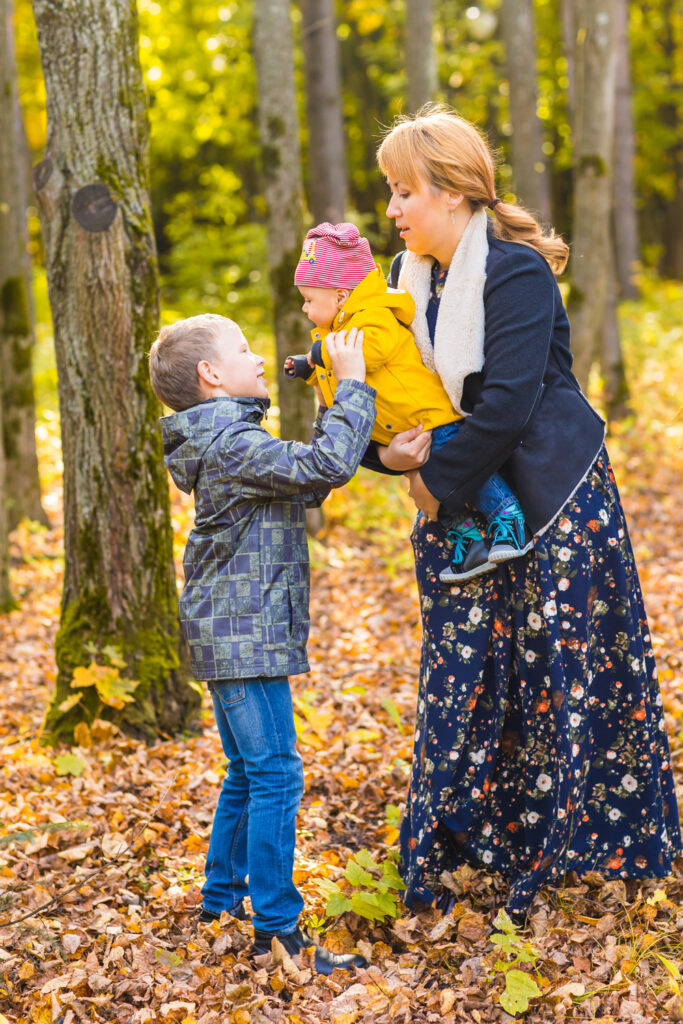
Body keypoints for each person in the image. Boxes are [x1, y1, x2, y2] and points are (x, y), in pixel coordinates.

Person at [364, 106, 681, 921]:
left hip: (552, 496)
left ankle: (587, 843)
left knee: (561, 670)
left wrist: (435, 488)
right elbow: (391, 400)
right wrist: (384, 456)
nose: (393, 210)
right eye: (390, 193)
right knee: (468, 673)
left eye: (405, 192)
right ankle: (474, 841)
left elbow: (505, 404)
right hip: (465, 502)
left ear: (453, 192)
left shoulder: (513, 272)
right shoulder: (404, 286)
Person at [148, 313, 373, 973]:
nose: (256, 356)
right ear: (210, 375)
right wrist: (354, 386)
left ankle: (221, 903)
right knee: (276, 772)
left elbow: (309, 477)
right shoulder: (230, 445)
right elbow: (326, 462)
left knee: (248, 774)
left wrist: (333, 397)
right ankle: (278, 931)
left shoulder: (231, 441)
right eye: (241, 348)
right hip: (241, 637)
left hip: (232, 634)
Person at [285, 220, 532, 582]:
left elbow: (371, 350)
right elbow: (339, 377)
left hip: (429, 417)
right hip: (403, 432)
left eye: (309, 300)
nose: (305, 310)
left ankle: (508, 517)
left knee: (470, 479)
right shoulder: (335, 333)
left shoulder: (374, 316)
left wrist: (321, 352)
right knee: (440, 498)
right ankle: (469, 542)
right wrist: (310, 368)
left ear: (340, 296)